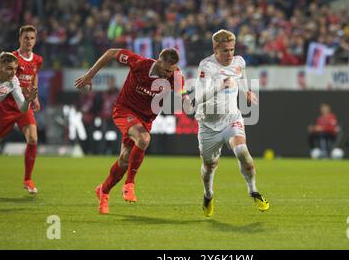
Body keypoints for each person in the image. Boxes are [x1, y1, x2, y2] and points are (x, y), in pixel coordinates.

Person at [75, 48, 185, 214]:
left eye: (172, 70)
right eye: (166, 70)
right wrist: (90, 75)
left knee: (124, 160)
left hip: (146, 119)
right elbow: (112, 52)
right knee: (144, 139)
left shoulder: (176, 76)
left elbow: (181, 97)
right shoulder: (140, 64)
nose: (169, 74)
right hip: (124, 110)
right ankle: (129, 184)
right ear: (158, 61)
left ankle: (103, 191)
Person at [194, 29, 269, 218]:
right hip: (208, 125)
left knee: (242, 152)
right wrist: (220, 86)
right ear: (215, 49)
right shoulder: (207, 66)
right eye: (225, 50)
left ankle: (253, 191)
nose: (229, 54)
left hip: (231, 119)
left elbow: (241, 77)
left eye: (232, 49)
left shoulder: (239, 62)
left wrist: (246, 92)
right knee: (209, 167)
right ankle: (208, 194)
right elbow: (198, 98)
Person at [0, 25, 43, 194]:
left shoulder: (38, 60)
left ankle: (28, 179)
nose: (29, 41)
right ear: (20, 39)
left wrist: (35, 96)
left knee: (33, 138)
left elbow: (34, 76)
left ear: (35, 40)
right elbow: (0, 76)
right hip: (6, 106)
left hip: (24, 106)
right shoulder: (12, 58)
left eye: (32, 38)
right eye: (26, 38)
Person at [0, 52, 38, 171]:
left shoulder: (13, 82)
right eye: (9, 68)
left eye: (15, 69)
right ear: (0, 66)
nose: (13, 72)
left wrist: (27, 101)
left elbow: (22, 108)